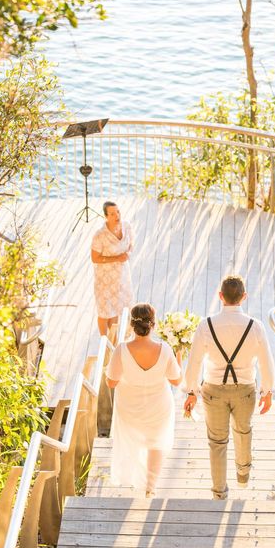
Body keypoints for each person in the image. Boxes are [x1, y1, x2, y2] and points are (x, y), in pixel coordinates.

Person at [183, 275, 275, 500]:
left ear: (220, 296)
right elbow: (266, 362)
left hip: (213, 390)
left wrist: (191, 392)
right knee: (243, 431)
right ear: (244, 297)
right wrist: (267, 392)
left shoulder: (206, 325)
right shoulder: (255, 327)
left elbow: (194, 362)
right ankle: (243, 474)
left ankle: (219, 493)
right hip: (245, 390)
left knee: (217, 442)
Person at [105, 304, 182, 497]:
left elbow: (111, 383)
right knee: (155, 444)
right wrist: (178, 357)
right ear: (153, 324)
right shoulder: (165, 349)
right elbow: (176, 380)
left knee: (135, 440)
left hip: (130, 408)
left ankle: (135, 479)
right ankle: (150, 486)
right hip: (158, 407)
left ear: (131, 324)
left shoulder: (121, 350)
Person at [91, 201, 134, 337]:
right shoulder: (100, 235)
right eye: (112, 213)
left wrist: (128, 253)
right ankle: (104, 342)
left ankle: (113, 340)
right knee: (105, 313)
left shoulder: (126, 226)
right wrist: (116, 258)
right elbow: (95, 258)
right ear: (106, 216)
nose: (117, 216)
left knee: (116, 310)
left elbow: (131, 242)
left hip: (122, 277)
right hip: (105, 279)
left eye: (118, 212)